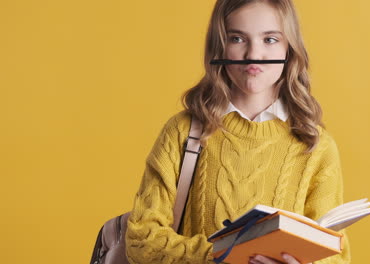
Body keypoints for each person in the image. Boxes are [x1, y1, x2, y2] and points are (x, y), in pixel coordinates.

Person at [125, 0, 351, 263]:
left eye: (269, 39)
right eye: (237, 38)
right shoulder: (182, 131)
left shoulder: (317, 146)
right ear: (220, 46)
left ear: (289, 48)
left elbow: (337, 256)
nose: (253, 53)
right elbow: (141, 240)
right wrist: (228, 255)